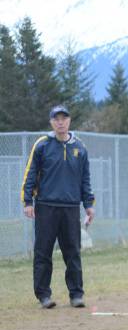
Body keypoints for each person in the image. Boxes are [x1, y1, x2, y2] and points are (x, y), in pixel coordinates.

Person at [21, 105, 95, 308]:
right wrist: (28, 202)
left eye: (64, 118)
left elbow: (85, 179)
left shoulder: (80, 147)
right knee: (43, 252)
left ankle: (76, 294)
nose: (60, 122)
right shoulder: (42, 145)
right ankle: (44, 296)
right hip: (46, 207)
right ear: (51, 122)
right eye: (56, 119)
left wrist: (89, 204)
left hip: (71, 207)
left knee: (73, 252)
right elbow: (29, 175)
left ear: (69, 121)